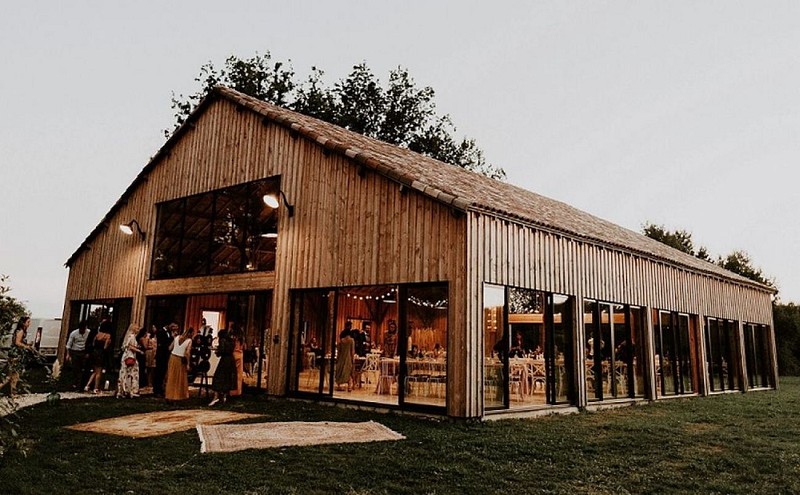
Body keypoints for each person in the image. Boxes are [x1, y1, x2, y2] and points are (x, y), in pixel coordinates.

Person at [0, 316, 33, 397]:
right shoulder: (21, 331)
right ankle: (12, 392)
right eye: (28, 322)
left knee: (14, 375)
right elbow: (17, 342)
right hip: (16, 354)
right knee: (12, 375)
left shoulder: (20, 331)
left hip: (16, 354)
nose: (29, 324)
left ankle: (13, 392)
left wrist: (27, 344)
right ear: (23, 323)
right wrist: (26, 347)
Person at [208, 329, 236, 406]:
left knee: (218, 376)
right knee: (227, 377)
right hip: (231, 360)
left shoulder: (222, 340)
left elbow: (222, 350)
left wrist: (217, 352)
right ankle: (225, 396)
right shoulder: (232, 341)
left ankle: (216, 396)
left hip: (224, 360)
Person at [165, 325, 193, 401]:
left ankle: (169, 395)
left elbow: (169, 348)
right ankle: (177, 395)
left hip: (172, 357)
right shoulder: (189, 341)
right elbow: (187, 353)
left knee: (171, 377)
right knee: (179, 378)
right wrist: (188, 363)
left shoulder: (176, 337)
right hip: (180, 359)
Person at [117, 324, 143, 398]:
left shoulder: (129, 336)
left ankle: (124, 390)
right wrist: (139, 351)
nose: (138, 330)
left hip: (127, 355)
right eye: (137, 328)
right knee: (131, 373)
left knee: (125, 373)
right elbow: (130, 346)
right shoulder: (132, 336)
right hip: (130, 355)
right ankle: (130, 390)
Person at [85, 320, 112, 394]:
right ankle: (96, 388)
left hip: (94, 352)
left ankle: (87, 385)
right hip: (101, 353)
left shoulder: (97, 334)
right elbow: (105, 347)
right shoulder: (108, 335)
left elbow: (93, 343)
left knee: (94, 371)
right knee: (99, 372)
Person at [65, 320, 91, 390]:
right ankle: (75, 383)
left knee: (85, 368)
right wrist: (68, 354)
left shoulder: (88, 332)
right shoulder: (74, 333)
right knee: (76, 368)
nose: (83, 330)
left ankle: (83, 383)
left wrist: (87, 352)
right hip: (75, 351)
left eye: (84, 329)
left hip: (84, 351)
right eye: (82, 329)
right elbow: (69, 345)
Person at [153, 323, 175, 397]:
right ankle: (156, 390)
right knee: (158, 373)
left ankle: (161, 389)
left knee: (163, 373)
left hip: (166, 356)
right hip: (161, 355)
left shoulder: (168, 333)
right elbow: (162, 343)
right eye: (173, 327)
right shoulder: (160, 332)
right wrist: (171, 338)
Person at [334, 327, 355, 391]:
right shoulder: (351, 340)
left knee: (340, 371)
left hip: (341, 358)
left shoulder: (341, 341)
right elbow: (352, 351)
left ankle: (339, 385)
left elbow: (339, 351)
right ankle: (349, 387)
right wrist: (353, 359)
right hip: (348, 358)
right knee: (349, 373)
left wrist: (337, 359)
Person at [230, 326, 244, 397]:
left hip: (234, 353)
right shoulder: (241, 338)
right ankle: (238, 391)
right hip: (240, 354)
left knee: (233, 374)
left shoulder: (234, 338)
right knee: (239, 375)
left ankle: (232, 391)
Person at [143, 325, 157, 390]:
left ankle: (153, 381)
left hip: (155, 352)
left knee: (154, 368)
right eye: (153, 327)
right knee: (149, 367)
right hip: (149, 352)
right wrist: (151, 347)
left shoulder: (157, 335)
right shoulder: (148, 335)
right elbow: (145, 345)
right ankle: (148, 382)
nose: (153, 328)